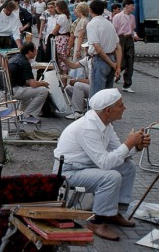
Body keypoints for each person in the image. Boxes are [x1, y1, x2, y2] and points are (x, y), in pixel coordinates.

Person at [53, 88, 150, 241]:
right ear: (108, 110)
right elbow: (105, 163)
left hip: (86, 166)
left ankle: (112, 212)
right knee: (111, 177)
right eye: (121, 105)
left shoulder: (105, 124)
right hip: (68, 172)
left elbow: (119, 153)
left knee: (128, 167)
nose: (124, 108)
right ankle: (97, 221)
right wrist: (129, 143)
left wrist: (134, 146)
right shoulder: (87, 127)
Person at [86, 0, 122, 97]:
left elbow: (98, 49)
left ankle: (94, 112)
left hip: (100, 60)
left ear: (90, 10)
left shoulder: (91, 25)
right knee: (107, 95)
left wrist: (113, 64)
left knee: (96, 94)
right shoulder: (109, 24)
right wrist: (117, 65)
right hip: (111, 58)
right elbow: (118, 47)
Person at [8, 42, 50, 116]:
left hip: (7, 89)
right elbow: (33, 84)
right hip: (14, 90)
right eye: (35, 51)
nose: (36, 53)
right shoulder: (25, 62)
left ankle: (22, 112)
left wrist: (37, 83)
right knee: (43, 91)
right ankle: (28, 114)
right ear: (30, 52)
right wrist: (43, 83)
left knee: (28, 89)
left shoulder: (15, 58)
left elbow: (24, 81)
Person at [112, 0, 138, 93]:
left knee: (130, 61)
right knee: (121, 61)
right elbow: (114, 30)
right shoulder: (117, 17)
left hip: (129, 39)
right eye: (132, 5)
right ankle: (115, 73)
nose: (133, 7)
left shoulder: (132, 17)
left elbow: (132, 29)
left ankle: (127, 84)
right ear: (126, 6)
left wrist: (134, 35)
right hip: (120, 38)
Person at [60, 50, 91, 120]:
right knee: (68, 88)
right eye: (85, 48)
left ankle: (78, 112)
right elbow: (73, 65)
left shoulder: (94, 61)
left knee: (78, 85)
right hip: (89, 86)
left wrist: (77, 80)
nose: (86, 50)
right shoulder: (87, 58)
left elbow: (91, 81)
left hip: (94, 87)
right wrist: (62, 59)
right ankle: (84, 104)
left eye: (87, 48)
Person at [51, 0, 72, 74]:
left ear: (59, 7)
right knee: (64, 59)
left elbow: (56, 30)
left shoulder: (61, 17)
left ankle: (61, 80)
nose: (55, 8)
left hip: (60, 39)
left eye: (56, 6)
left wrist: (50, 35)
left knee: (59, 59)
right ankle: (65, 80)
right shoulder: (68, 16)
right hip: (66, 38)